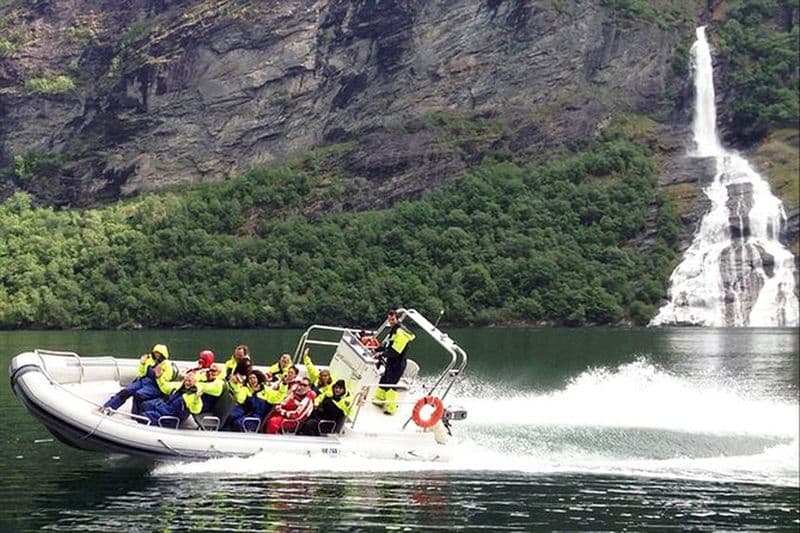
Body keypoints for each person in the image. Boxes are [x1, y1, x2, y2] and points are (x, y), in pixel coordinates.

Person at [140, 364, 225, 426]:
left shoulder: (193, 395)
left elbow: (196, 409)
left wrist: (196, 399)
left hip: (169, 417)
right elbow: (166, 388)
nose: (187, 383)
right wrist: (159, 377)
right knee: (145, 405)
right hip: (165, 409)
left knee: (143, 416)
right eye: (186, 380)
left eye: (190, 381)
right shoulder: (181, 388)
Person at [102, 344, 175, 415]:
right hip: (143, 381)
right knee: (125, 392)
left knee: (138, 395)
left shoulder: (167, 365)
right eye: (155, 353)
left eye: (159, 353)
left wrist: (159, 376)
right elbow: (142, 373)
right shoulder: (150, 360)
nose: (157, 355)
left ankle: (136, 416)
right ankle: (108, 407)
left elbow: (165, 381)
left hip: (155, 386)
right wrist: (142, 364)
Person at [373, 310, 415, 414]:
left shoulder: (400, 333)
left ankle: (391, 408)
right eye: (389, 319)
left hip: (398, 363)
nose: (390, 321)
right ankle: (379, 399)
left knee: (390, 385)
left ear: (397, 319)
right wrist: (377, 349)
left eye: (392, 319)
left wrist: (381, 354)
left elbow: (395, 351)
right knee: (384, 379)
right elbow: (388, 345)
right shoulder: (394, 330)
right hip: (392, 362)